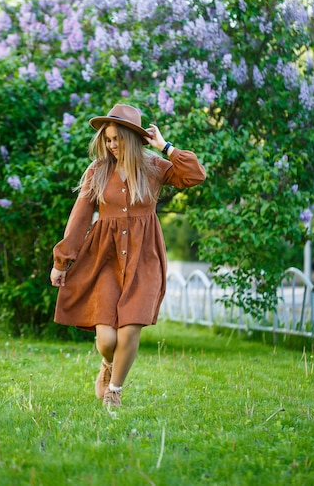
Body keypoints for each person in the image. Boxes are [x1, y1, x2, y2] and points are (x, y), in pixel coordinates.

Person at [49, 103, 206, 408]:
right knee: (107, 339)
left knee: (131, 326)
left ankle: (115, 392)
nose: (111, 145)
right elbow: (79, 217)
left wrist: (165, 146)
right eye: (107, 139)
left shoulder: (154, 167)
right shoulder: (97, 170)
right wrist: (62, 261)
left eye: (117, 139)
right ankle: (107, 365)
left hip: (144, 258)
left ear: (133, 138)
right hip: (104, 257)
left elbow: (195, 175)